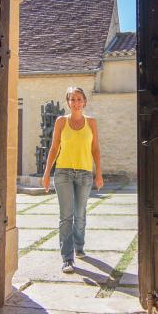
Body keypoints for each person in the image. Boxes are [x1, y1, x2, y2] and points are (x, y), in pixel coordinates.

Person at [41, 87, 104, 274]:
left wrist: (98, 173)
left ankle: (79, 245)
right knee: (66, 216)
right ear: (68, 102)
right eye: (72, 99)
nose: (76, 103)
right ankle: (67, 258)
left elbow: (95, 149)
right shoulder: (61, 121)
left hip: (85, 174)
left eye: (79, 99)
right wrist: (46, 173)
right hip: (63, 173)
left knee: (80, 214)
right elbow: (53, 148)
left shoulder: (91, 122)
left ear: (84, 101)